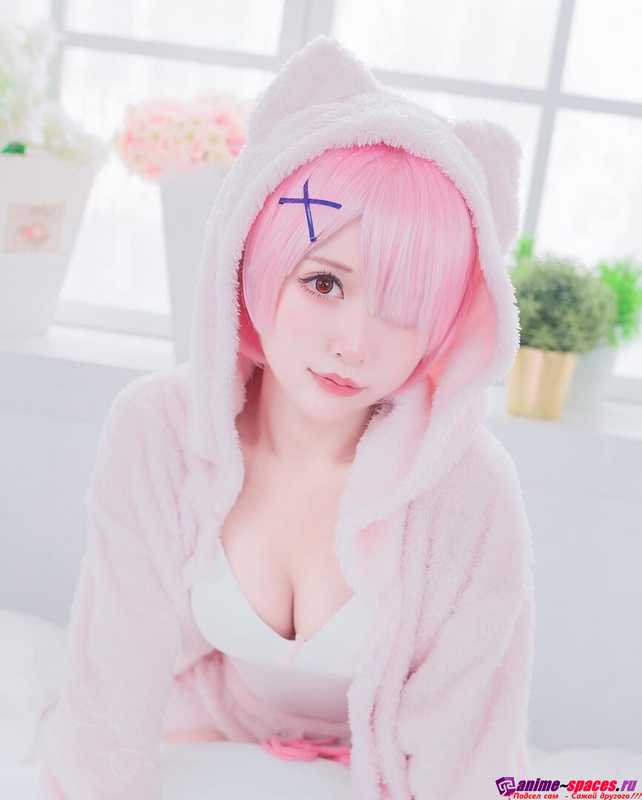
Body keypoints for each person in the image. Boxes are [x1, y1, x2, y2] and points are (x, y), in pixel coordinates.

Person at [27, 35, 535, 799]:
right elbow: (112, 684)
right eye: (324, 283)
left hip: (389, 776)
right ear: (258, 259)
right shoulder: (161, 431)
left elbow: (464, 750)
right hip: (204, 738)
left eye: (403, 307)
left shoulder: (467, 490)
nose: (354, 343)